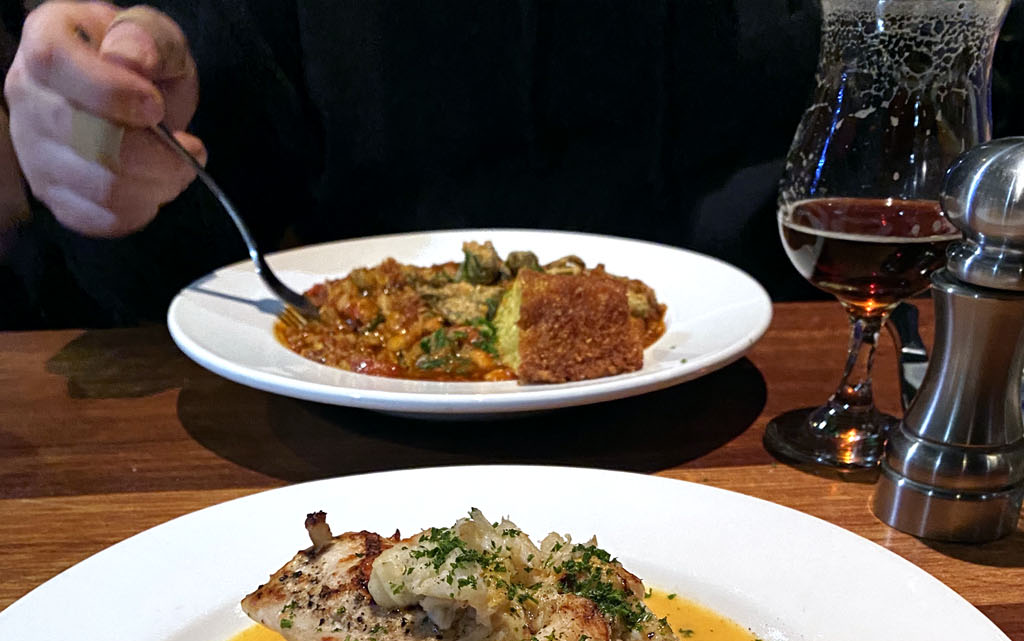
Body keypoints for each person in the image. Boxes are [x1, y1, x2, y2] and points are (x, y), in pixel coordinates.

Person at [0, 1, 1021, 329]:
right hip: (332, 429)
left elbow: (978, 157)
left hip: (765, 405)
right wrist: (105, 166)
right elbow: (171, 263)